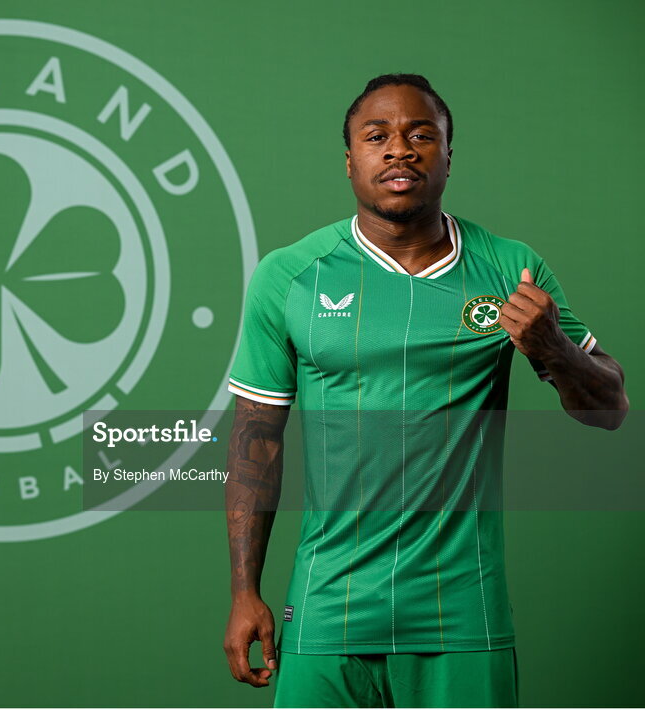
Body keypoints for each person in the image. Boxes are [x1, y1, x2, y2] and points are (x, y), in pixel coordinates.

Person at [222, 73, 629, 708]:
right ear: (350, 159)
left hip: (462, 615)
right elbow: (256, 439)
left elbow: (611, 409)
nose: (399, 149)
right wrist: (244, 590)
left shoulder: (509, 267)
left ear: (447, 154)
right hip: (329, 612)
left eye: (421, 135)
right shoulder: (290, 275)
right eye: (376, 135)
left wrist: (550, 347)